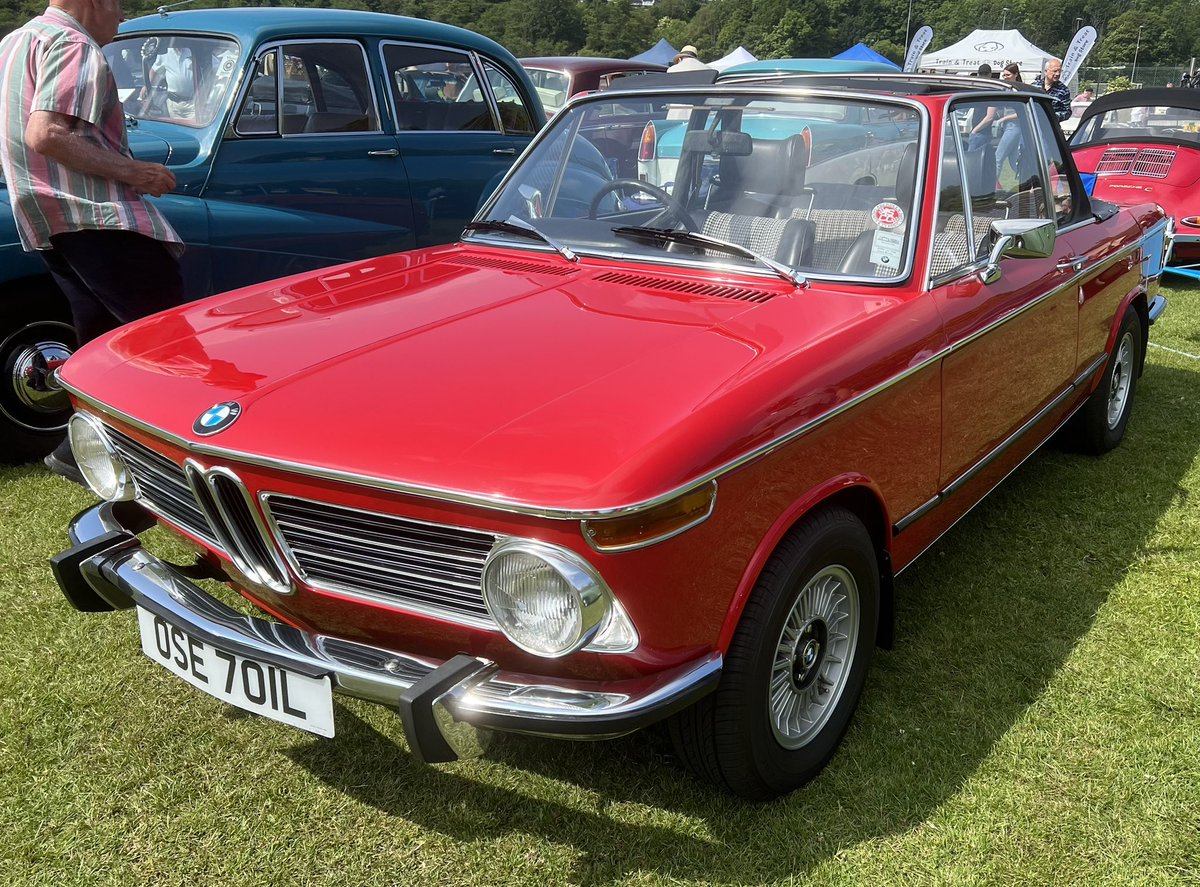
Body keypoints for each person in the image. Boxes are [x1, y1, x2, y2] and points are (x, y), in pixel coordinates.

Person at [0, 0, 184, 484]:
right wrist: (135, 171)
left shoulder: (14, 43)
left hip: (45, 217)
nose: (121, 15)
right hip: (101, 216)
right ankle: (185, 465)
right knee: (168, 343)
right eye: (118, 3)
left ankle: (76, 450)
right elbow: (47, 134)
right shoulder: (72, 42)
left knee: (101, 344)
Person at [995, 63, 1024, 183]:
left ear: (1015, 75)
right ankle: (1030, 180)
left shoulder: (1018, 90)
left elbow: (1021, 113)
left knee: (998, 157)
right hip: (1009, 127)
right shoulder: (1007, 89)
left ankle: (989, 187)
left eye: (1008, 74)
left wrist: (1004, 118)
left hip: (1014, 127)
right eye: (1004, 74)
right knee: (1013, 161)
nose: (1005, 77)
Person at [1033, 57, 1071, 122]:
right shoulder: (1034, 86)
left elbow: (1067, 112)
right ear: (1045, 71)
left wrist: (1052, 116)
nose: (1058, 74)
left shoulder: (1063, 90)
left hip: (1052, 126)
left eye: (1059, 71)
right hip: (1034, 124)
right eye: (1055, 71)